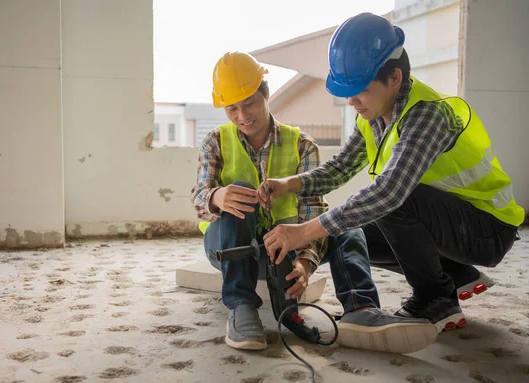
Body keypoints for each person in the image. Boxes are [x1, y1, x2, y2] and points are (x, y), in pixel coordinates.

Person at [259, 13, 525, 332]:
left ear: (395, 77)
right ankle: (455, 273)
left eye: (361, 89)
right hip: (451, 224)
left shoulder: (427, 115)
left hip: (487, 229)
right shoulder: (373, 116)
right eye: (347, 91)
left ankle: (436, 297)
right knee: (349, 232)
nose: (352, 101)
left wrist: (302, 232)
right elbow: (339, 170)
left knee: (388, 200)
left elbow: (389, 193)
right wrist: (288, 184)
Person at [190, 51, 437, 354]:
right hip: (229, 249)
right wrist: (217, 196)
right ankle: (240, 305)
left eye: (250, 103)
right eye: (232, 109)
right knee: (238, 191)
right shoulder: (215, 141)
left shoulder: (302, 144)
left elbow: (313, 210)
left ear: (266, 94)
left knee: (346, 225)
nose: (242, 116)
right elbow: (199, 196)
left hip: (284, 249)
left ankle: (361, 309)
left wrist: (305, 263)